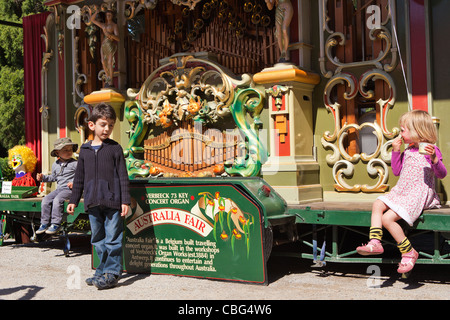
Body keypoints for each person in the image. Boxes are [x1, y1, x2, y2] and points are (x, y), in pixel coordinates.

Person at [356, 110, 447, 274]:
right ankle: (375, 242)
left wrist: (434, 159)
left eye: (403, 130)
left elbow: (442, 174)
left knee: (387, 218)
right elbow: (397, 171)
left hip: (417, 193)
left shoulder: (430, 150)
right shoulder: (407, 151)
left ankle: (408, 252)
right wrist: (396, 151)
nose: (400, 133)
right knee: (377, 203)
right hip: (402, 190)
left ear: (417, 131)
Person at [67, 103, 130, 290]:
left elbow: (123, 176)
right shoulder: (84, 151)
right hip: (92, 202)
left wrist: (125, 200)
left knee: (113, 239)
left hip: (113, 203)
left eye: (111, 125)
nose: (107, 129)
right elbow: (79, 178)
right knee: (98, 240)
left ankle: (112, 273)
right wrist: (73, 200)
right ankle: (101, 271)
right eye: (103, 124)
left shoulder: (115, 149)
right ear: (92, 125)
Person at [36, 138, 78, 235]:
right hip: (59, 189)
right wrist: (43, 177)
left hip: (70, 190)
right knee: (46, 199)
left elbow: (82, 176)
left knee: (57, 200)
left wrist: (74, 183)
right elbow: (53, 177)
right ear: (57, 153)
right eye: (65, 150)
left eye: (70, 149)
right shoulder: (55, 164)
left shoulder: (75, 164)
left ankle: (56, 223)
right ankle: (44, 223)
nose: (69, 152)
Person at [90, 8, 119, 87]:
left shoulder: (114, 25)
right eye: (107, 15)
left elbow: (118, 38)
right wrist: (96, 11)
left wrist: (111, 35)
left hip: (110, 44)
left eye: (109, 15)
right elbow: (92, 20)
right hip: (103, 45)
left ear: (112, 16)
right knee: (103, 62)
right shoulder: (103, 25)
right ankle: (108, 77)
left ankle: (111, 81)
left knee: (110, 62)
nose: (108, 16)